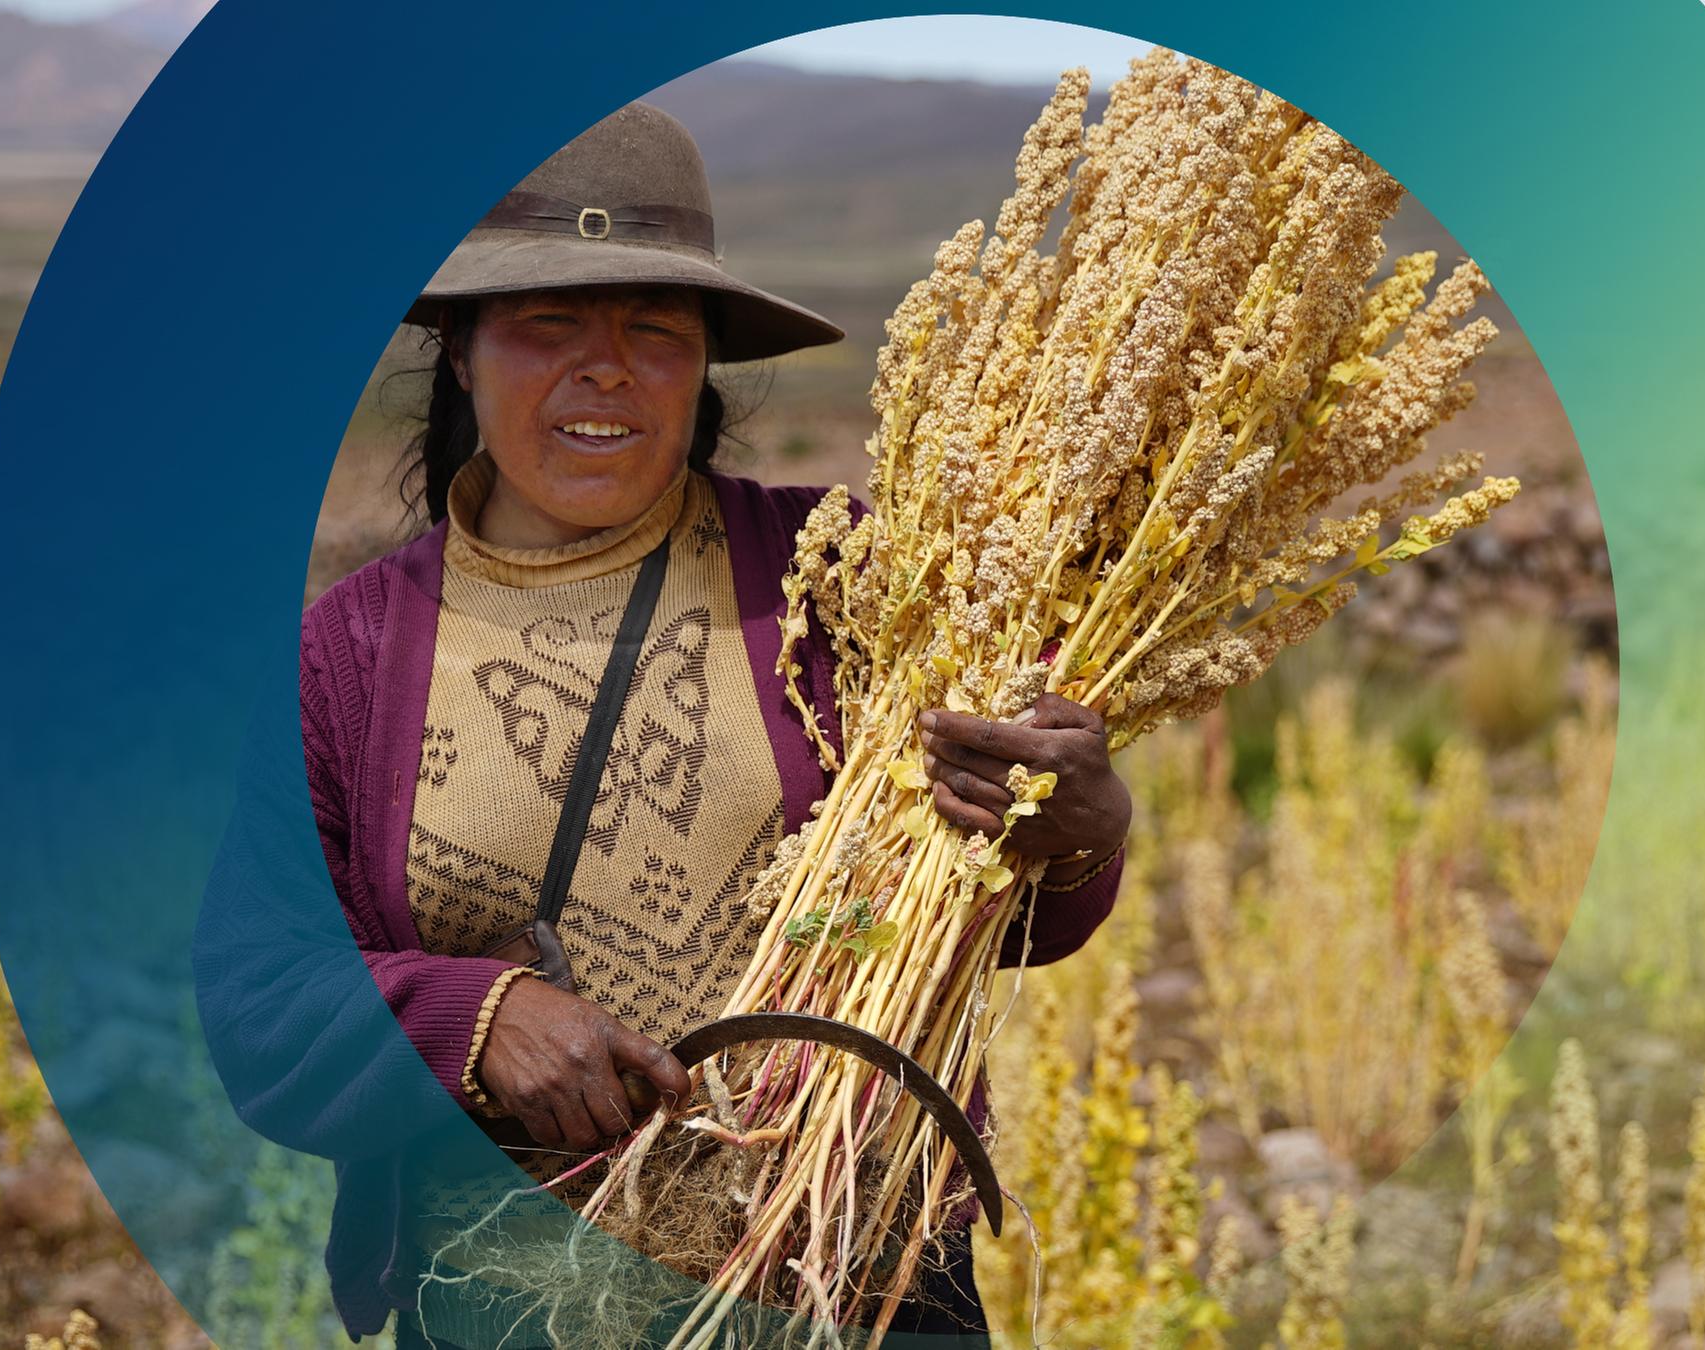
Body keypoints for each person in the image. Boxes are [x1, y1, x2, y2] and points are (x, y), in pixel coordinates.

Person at [194, 102, 1132, 1348]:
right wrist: (477, 1022)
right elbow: (261, 999)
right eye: (547, 322)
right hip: (505, 1291)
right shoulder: (352, 657)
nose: (606, 367)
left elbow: (1009, 919)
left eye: (654, 328)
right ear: (462, 354)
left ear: (704, 366)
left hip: (861, 1280)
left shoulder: (847, 582)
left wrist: (1071, 832)